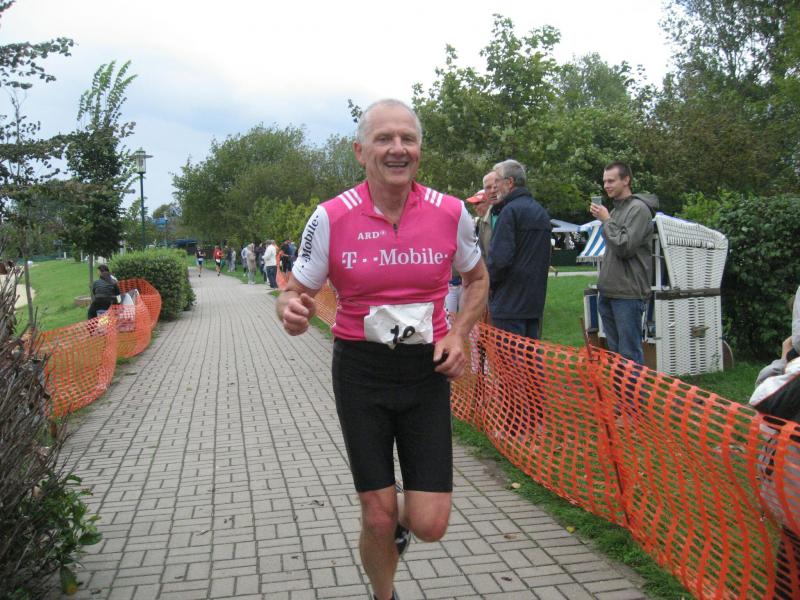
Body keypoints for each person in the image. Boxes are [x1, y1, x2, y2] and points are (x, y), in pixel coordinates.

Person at [276, 99, 488, 600]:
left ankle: (396, 527)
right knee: (376, 513)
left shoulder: (450, 211)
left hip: (425, 372)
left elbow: (477, 279)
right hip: (361, 372)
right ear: (360, 151)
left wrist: (458, 333)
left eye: (407, 139)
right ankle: (384, 593)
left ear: (419, 150)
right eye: (384, 139)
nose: (397, 149)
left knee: (430, 523)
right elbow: (294, 291)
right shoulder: (331, 217)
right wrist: (290, 310)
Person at [589, 161, 658, 364]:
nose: (606, 186)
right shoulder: (616, 210)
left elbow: (625, 247)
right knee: (615, 355)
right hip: (609, 292)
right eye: (604, 181)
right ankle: (619, 387)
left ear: (626, 180)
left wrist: (606, 221)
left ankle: (634, 387)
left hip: (628, 294)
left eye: (611, 181)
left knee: (629, 355)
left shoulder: (639, 210)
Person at [486, 159, 551, 340]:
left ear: (510, 182)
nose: (495, 187)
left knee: (509, 357)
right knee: (529, 356)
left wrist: (489, 284)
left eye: (497, 181)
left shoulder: (509, 212)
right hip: (533, 301)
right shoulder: (540, 212)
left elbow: (499, 260)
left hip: (509, 303)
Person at [476, 171, 499, 258]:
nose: (492, 190)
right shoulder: (483, 221)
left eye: (495, 186)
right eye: (488, 187)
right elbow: (483, 254)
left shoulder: (516, 212)